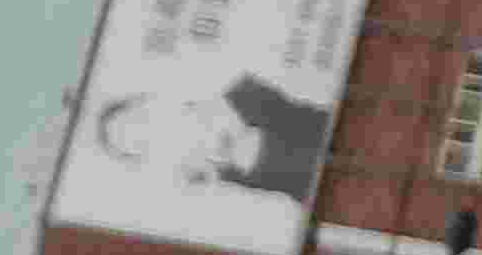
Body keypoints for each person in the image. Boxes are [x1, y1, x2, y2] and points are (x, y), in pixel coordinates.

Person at [90, 77, 331, 203]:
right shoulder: (222, 183)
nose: (156, 135)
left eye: (142, 121)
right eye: (142, 144)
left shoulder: (245, 91)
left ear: (154, 102)